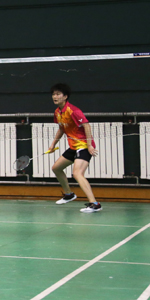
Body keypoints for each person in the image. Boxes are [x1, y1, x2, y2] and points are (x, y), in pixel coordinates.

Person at [47, 83, 101, 213]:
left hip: (83, 145)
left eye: (58, 94)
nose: (55, 97)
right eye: (53, 94)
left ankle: (95, 204)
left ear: (65, 96)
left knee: (77, 173)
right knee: (56, 168)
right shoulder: (57, 112)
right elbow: (62, 129)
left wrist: (89, 145)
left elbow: (86, 125)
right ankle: (69, 194)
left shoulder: (73, 111)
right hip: (73, 146)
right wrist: (53, 144)